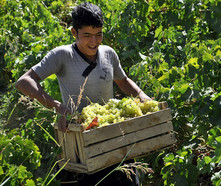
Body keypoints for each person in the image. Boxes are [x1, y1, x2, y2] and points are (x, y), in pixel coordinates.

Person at [15, 2, 150, 185]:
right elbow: (25, 81)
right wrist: (57, 106)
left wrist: (142, 96)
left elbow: (123, 81)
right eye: (87, 35)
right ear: (74, 32)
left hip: (113, 139)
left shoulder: (109, 54)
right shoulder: (62, 55)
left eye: (99, 35)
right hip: (81, 144)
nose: (94, 42)